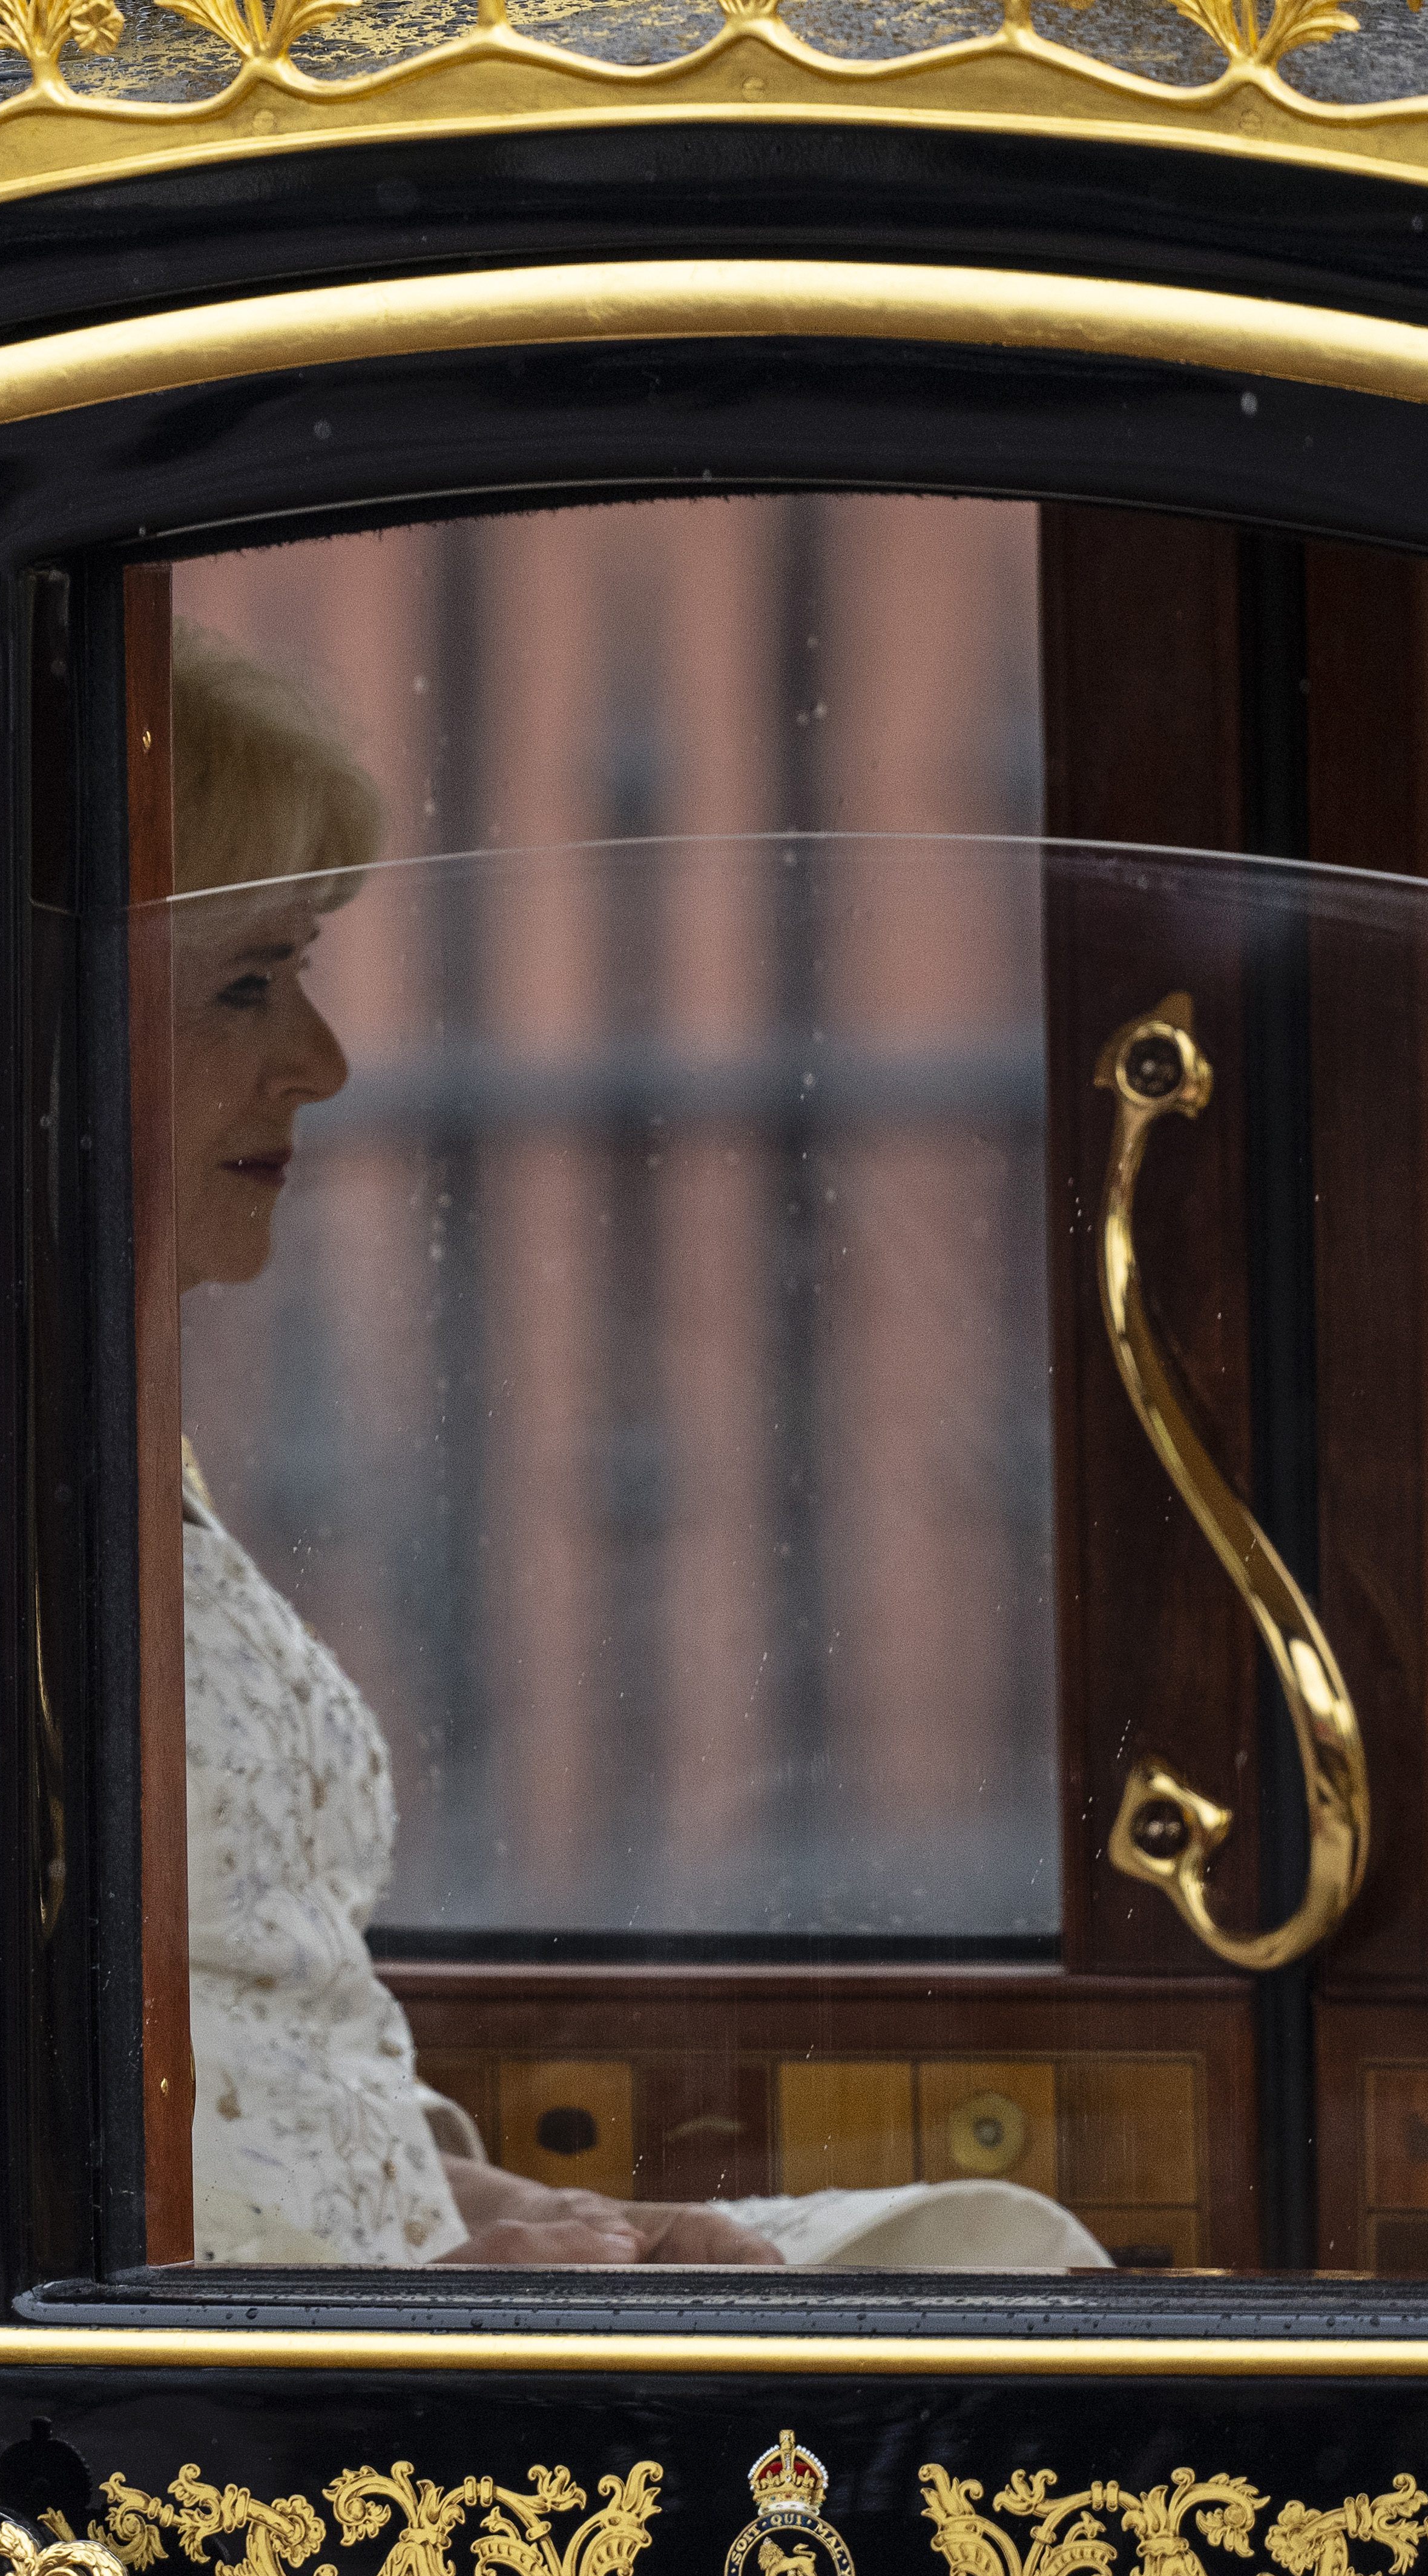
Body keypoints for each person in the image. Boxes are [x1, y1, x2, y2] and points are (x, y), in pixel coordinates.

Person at [165, 627, 1103, 2273]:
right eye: (247, 981)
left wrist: (495, 2205)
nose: (316, 1062)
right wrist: (415, 2296)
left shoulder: (87, 1429)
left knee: (978, 2269)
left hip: (374, 2284)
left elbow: (231, 2041)